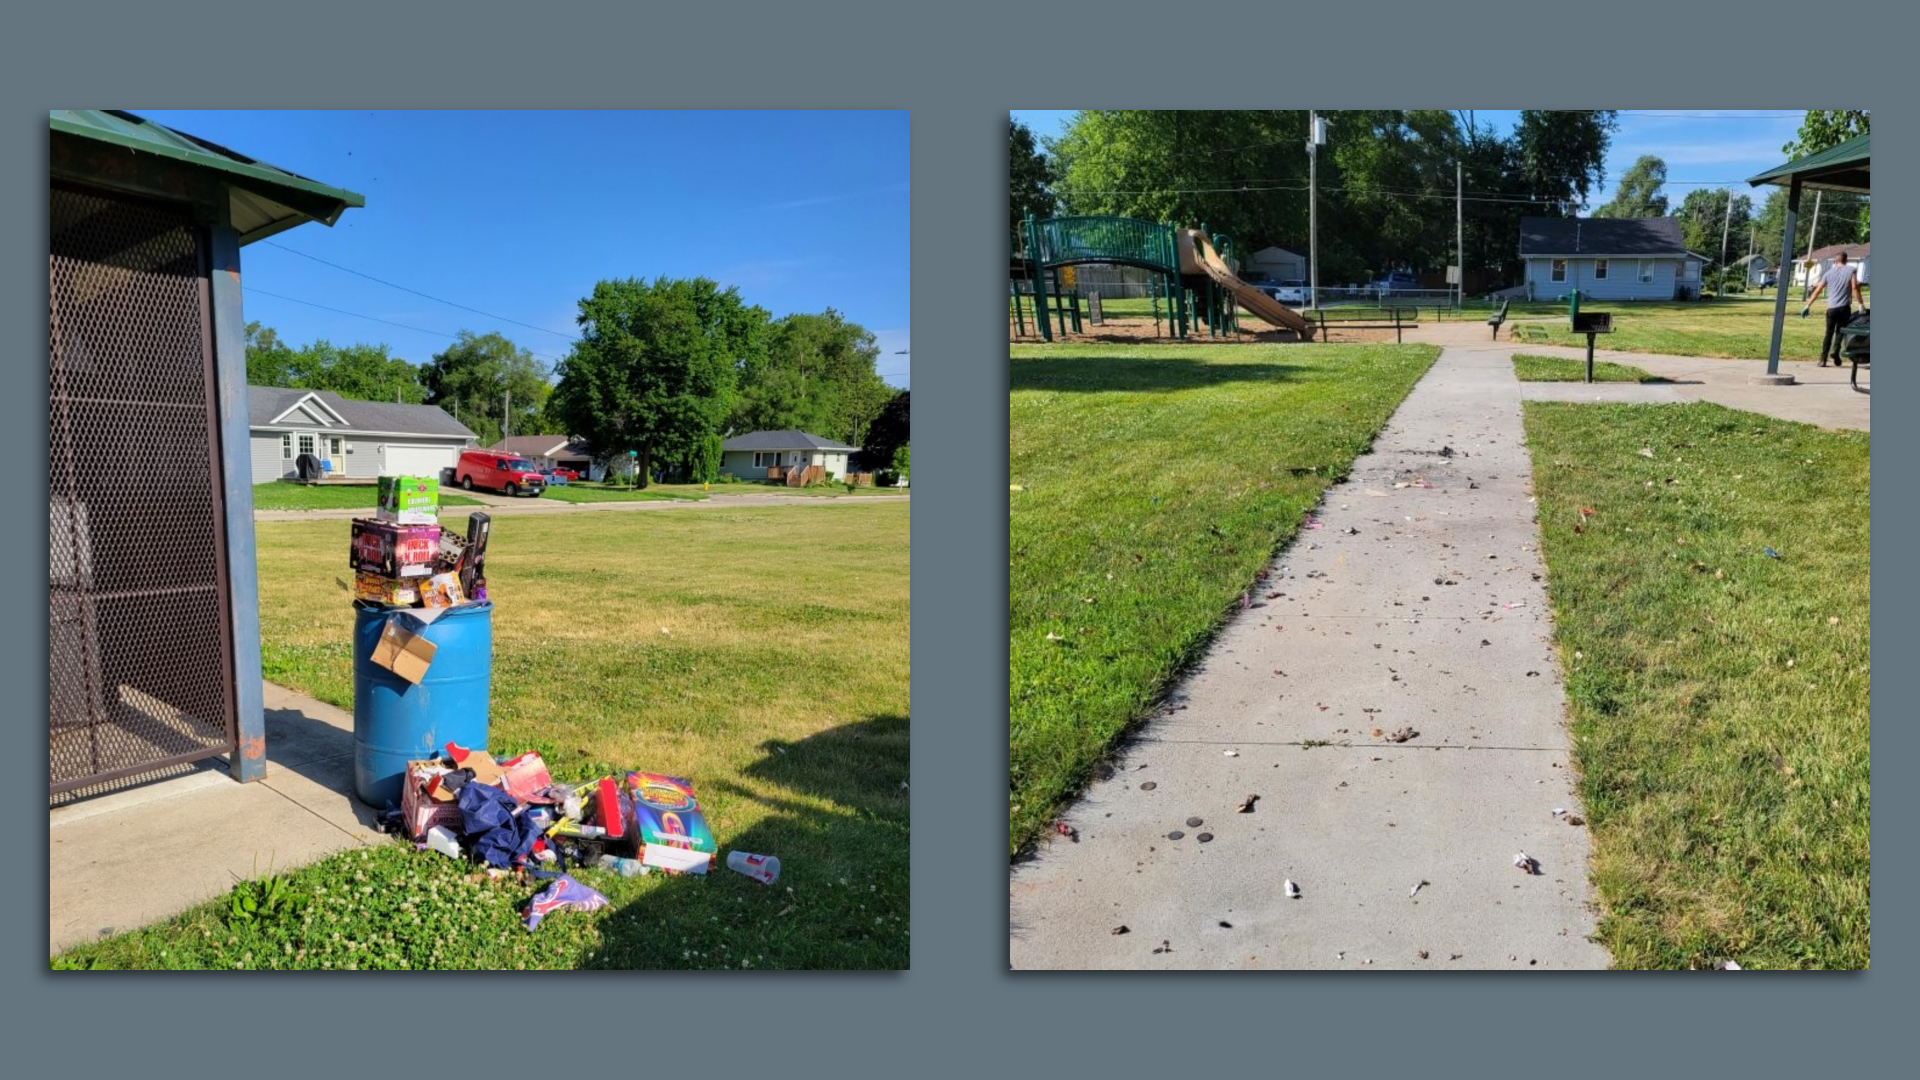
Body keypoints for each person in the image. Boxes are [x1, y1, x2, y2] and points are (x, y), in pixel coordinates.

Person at [1802, 251, 1867, 367]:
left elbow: (1818, 290)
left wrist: (1808, 305)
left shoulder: (1828, 273)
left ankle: (1823, 359)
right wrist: (1861, 304)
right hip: (1844, 308)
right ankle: (1835, 351)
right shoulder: (1851, 270)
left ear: (1835, 261)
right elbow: (1854, 287)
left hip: (1831, 309)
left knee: (1828, 333)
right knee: (1840, 332)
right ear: (1846, 260)